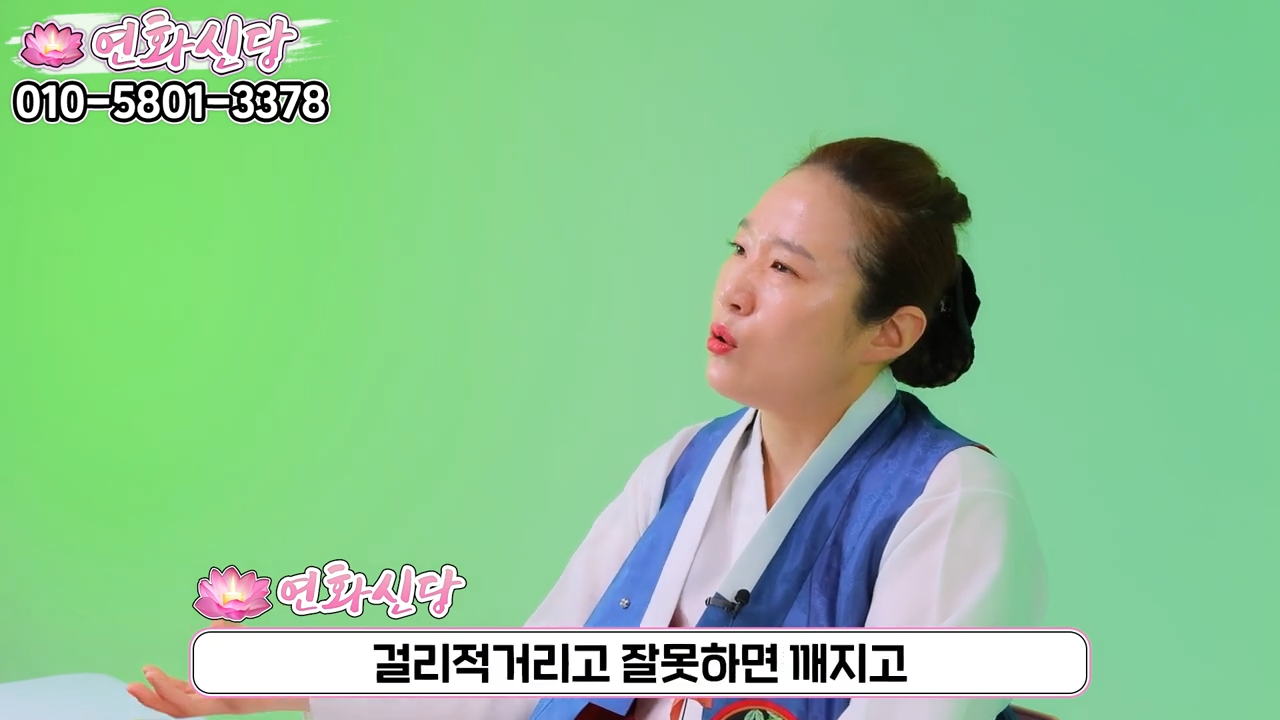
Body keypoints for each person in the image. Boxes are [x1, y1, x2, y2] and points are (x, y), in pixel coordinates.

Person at [128, 137, 1047, 720]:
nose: (734, 288)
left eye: (785, 270)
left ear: (890, 332)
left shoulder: (951, 503)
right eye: (739, 249)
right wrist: (278, 688)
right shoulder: (684, 467)